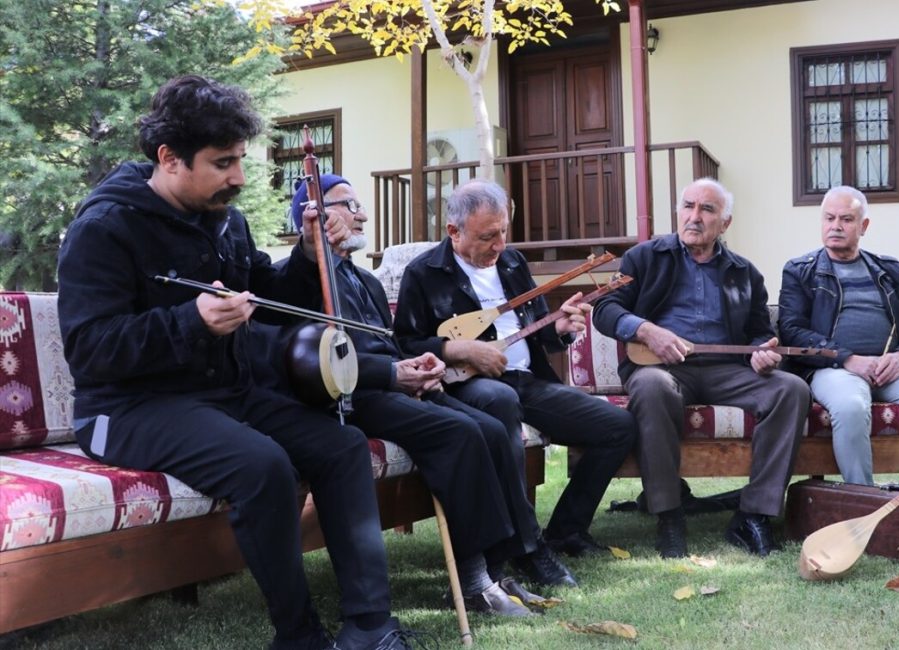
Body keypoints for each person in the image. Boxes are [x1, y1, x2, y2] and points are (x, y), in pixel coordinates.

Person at [56, 76, 417, 650]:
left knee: (342, 445)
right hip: (128, 408)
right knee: (263, 465)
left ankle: (370, 626)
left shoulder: (226, 218)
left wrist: (305, 254)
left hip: (224, 394)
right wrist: (190, 321)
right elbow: (91, 350)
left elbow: (271, 297)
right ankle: (299, 637)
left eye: (240, 160)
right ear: (169, 158)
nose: (240, 178)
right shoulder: (103, 228)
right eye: (223, 163)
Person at [255, 173, 554, 615]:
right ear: (312, 216)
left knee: (491, 429)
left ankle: (495, 571)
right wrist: (394, 374)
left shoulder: (369, 283)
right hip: (354, 398)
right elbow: (321, 360)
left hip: (397, 387)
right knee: (460, 433)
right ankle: (473, 585)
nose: (361, 216)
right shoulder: (297, 279)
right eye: (348, 206)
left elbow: (395, 346)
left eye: (359, 207)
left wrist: (425, 367)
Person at [393, 179, 637, 585]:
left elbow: (540, 332)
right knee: (500, 400)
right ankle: (527, 547)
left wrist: (560, 328)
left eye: (504, 231)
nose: (499, 244)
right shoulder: (425, 273)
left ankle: (566, 530)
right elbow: (405, 343)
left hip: (526, 380)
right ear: (454, 232)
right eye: (487, 236)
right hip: (467, 386)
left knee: (617, 426)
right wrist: (461, 350)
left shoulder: (512, 263)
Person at [592, 177, 811, 559]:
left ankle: (753, 515)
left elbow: (759, 333)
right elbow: (605, 310)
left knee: (791, 389)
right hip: (660, 366)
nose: (694, 217)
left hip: (727, 371)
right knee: (653, 387)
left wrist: (762, 353)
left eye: (707, 209)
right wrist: (646, 330)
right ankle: (669, 513)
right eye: (688, 206)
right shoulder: (643, 258)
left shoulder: (745, 272)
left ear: (724, 223)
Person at [777, 185, 899, 494]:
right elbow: (792, 330)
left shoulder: (888, 269)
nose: (836, 226)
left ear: (863, 226)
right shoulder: (801, 271)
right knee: (852, 406)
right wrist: (847, 358)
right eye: (829, 218)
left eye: (846, 219)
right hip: (835, 369)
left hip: (891, 368)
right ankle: (863, 498)